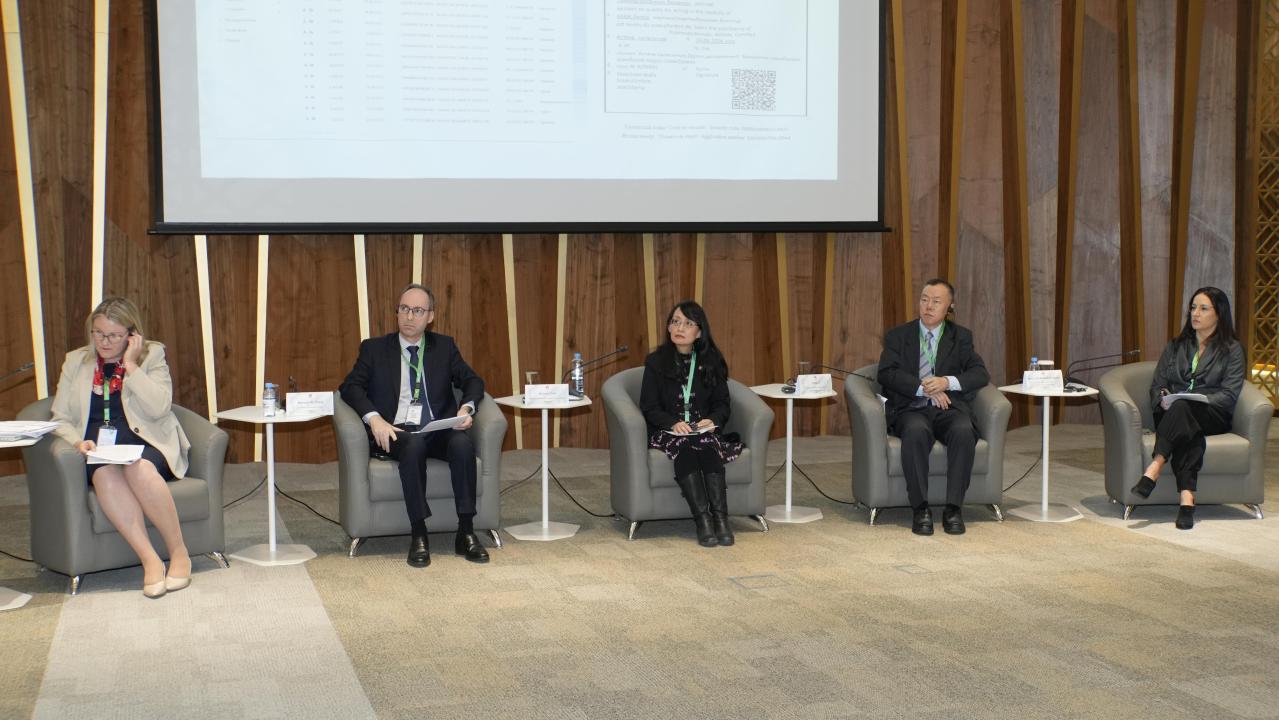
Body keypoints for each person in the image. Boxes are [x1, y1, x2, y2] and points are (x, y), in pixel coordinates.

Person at [49, 297, 192, 598]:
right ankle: (150, 560)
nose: (104, 341)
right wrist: (77, 441)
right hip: (98, 449)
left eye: (114, 335)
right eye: (98, 333)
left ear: (132, 334)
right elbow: (60, 417)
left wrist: (132, 365)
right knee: (104, 476)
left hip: (147, 442)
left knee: (139, 469)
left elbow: (159, 407)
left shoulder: (153, 354)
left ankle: (179, 552)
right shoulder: (76, 361)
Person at [339, 283, 488, 567]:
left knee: (461, 445)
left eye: (418, 310)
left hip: (436, 428)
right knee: (413, 446)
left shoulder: (444, 347)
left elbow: (473, 381)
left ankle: (466, 531)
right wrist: (374, 419)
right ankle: (419, 533)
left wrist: (466, 408)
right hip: (396, 431)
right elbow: (350, 387)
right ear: (397, 312)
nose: (409, 316)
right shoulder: (374, 349)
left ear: (430, 316)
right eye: (404, 309)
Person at [877, 279, 990, 536]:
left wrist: (946, 382)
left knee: (963, 430)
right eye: (924, 299)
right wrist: (924, 387)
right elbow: (886, 372)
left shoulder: (961, 337)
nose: (928, 306)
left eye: (936, 302)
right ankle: (920, 508)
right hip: (911, 407)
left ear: (950, 307)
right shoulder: (898, 335)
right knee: (915, 432)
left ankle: (953, 508)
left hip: (949, 408)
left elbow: (980, 373)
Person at [1131, 286, 1245, 530]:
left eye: (1203, 308)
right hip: (1172, 411)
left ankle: (1155, 466)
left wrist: (1200, 399)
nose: (1195, 313)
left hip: (1211, 414)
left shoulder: (1232, 350)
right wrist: (1162, 398)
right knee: (1185, 421)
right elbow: (1158, 384)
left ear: (1219, 314)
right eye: (1193, 308)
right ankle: (1186, 499)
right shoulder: (1176, 345)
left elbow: (1229, 395)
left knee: (1184, 409)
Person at [640, 301, 744, 547]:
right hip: (668, 431)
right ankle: (703, 521)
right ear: (668, 327)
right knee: (685, 449)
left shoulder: (711, 361)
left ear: (699, 332)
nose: (680, 328)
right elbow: (649, 406)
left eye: (688, 323)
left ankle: (721, 520)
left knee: (708, 449)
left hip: (701, 429)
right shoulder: (656, 362)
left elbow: (722, 403)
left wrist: (713, 420)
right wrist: (673, 423)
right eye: (675, 322)